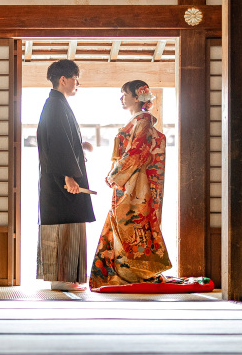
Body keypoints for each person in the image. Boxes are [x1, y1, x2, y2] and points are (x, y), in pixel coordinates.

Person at [89, 80, 171, 289]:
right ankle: (128, 273)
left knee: (131, 223)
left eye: (124, 94)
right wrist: (114, 173)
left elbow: (136, 152)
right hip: (130, 181)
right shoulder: (137, 120)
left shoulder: (142, 121)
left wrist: (115, 174)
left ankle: (132, 275)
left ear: (137, 97)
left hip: (136, 184)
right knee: (125, 223)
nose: (121, 98)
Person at [36, 59, 95, 291]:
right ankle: (62, 279)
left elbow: (65, 141)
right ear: (64, 80)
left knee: (67, 223)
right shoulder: (55, 105)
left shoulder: (57, 104)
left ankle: (65, 277)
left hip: (60, 175)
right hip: (61, 179)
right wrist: (69, 176)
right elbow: (58, 143)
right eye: (75, 79)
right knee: (63, 223)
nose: (77, 83)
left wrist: (81, 148)